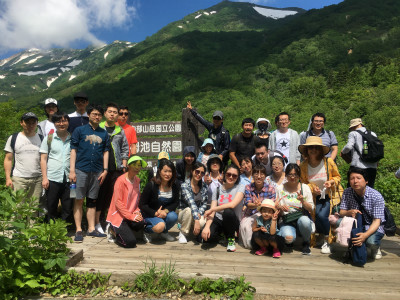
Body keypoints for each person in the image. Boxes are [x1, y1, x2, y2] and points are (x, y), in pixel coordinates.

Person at [69, 104, 110, 242]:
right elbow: (73, 150)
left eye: (99, 115)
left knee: (92, 200)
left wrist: (105, 170)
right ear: (88, 115)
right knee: (79, 199)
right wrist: (72, 170)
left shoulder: (103, 133)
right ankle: (79, 229)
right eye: (94, 114)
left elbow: (106, 151)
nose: (97, 117)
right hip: (80, 170)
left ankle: (91, 229)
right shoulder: (79, 130)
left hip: (97, 171)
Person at [299, 136, 342, 254]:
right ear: (306, 150)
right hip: (313, 196)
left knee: (323, 215)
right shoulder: (303, 165)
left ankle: (327, 240)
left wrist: (331, 182)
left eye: (316, 148)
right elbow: (303, 182)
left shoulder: (328, 162)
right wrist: (313, 188)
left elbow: (337, 176)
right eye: (310, 148)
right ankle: (321, 236)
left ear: (320, 150)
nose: (313, 150)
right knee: (315, 215)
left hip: (329, 195)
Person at [96, 103, 129, 234]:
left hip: (116, 169)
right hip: (100, 169)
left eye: (115, 112)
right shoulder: (98, 128)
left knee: (113, 196)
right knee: (99, 195)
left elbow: (125, 149)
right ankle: (98, 221)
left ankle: (111, 222)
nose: (112, 114)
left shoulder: (119, 130)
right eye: (110, 111)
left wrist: (124, 166)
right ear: (105, 113)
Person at [339, 167, 385, 260]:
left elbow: (377, 221)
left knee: (371, 242)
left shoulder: (376, 196)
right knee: (338, 222)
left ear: (366, 181)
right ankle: (352, 247)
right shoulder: (347, 192)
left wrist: (365, 235)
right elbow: (341, 212)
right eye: (352, 178)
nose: (355, 181)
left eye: (358, 178)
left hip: (372, 225)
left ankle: (375, 247)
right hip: (356, 224)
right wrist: (349, 212)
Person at [4, 112, 44, 215]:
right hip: (19, 178)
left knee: (34, 208)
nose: (30, 125)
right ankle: (15, 230)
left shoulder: (41, 138)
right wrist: (8, 178)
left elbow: (44, 159)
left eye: (33, 123)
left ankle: (31, 229)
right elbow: (8, 159)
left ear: (36, 124)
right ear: (21, 123)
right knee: (17, 207)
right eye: (27, 122)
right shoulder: (13, 138)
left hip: (37, 179)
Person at [105, 156, 147, 248]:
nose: (137, 167)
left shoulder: (137, 180)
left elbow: (136, 200)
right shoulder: (120, 181)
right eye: (134, 165)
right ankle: (112, 228)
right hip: (119, 215)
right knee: (130, 242)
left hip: (130, 214)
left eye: (139, 165)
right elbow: (118, 202)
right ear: (128, 165)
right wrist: (131, 216)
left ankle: (125, 230)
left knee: (141, 222)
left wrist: (136, 212)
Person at [203, 164, 245, 252]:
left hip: (232, 220)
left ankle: (231, 239)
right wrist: (207, 227)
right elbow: (213, 212)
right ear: (224, 174)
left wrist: (212, 209)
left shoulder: (240, 187)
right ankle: (221, 234)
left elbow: (232, 205)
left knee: (228, 211)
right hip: (218, 219)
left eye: (234, 175)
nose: (231, 177)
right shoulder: (217, 190)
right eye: (228, 174)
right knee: (207, 238)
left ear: (237, 177)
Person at [39, 112, 72, 221]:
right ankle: (52, 229)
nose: (61, 123)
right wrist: (44, 178)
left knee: (69, 205)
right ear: (54, 123)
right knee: (51, 204)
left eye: (64, 121)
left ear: (68, 122)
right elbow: (43, 158)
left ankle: (64, 228)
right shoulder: (49, 138)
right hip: (52, 177)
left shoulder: (73, 138)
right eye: (58, 121)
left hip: (70, 178)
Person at [276, 164, 314, 255]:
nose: (293, 177)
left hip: (301, 217)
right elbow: (276, 206)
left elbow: (311, 208)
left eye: (295, 175)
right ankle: (290, 240)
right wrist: (280, 207)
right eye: (290, 175)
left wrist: (303, 201)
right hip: (286, 219)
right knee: (288, 238)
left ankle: (306, 242)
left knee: (305, 221)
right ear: (286, 175)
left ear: (299, 175)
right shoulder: (280, 188)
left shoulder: (305, 188)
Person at [139, 159, 180, 243]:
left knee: (173, 217)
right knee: (160, 226)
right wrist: (155, 213)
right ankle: (147, 231)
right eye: (165, 171)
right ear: (159, 171)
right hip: (150, 214)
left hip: (164, 214)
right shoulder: (151, 185)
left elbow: (175, 202)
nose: (167, 174)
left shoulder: (174, 185)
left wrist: (165, 211)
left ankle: (164, 233)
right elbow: (142, 204)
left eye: (170, 171)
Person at [240, 165, 276, 249]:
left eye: (262, 174)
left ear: (265, 176)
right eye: (256, 174)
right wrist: (255, 205)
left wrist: (262, 205)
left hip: (265, 215)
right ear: (252, 175)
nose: (259, 176)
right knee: (245, 226)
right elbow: (248, 204)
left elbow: (272, 205)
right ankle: (252, 245)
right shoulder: (248, 187)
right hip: (250, 214)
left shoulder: (270, 188)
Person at [340, 118, 378, 188]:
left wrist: (343, 151)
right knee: (369, 189)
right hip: (372, 167)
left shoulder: (353, 133)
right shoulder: (373, 133)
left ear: (353, 126)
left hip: (358, 166)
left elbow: (348, 146)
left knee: (353, 189)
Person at [178, 162, 208, 244]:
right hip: (183, 214)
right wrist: (197, 220)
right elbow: (191, 203)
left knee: (202, 222)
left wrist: (199, 213)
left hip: (197, 213)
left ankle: (193, 231)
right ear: (192, 171)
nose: (199, 174)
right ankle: (183, 233)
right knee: (188, 210)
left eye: (202, 173)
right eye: (197, 171)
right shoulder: (185, 185)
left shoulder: (204, 186)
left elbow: (204, 204)